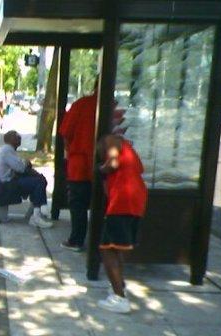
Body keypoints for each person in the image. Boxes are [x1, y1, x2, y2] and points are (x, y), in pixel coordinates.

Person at [97, 135, 147, 314]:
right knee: (117, 247)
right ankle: (118, 286)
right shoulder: (129, 151)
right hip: (135, 199)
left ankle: (119, 298)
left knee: (106, 249)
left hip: (123, 200)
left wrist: (101, 169)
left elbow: (113, 163)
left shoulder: (111, 140)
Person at [58, 78, 98, 252]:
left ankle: (77, 240)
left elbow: (66, 132)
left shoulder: (81, 104)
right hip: (106, 164)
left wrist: (70, 149)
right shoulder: (114, 107)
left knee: (78, 204)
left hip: (80, 163)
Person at [0, 130, 52, 228]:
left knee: (39, 180)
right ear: (10, 140)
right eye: (16, 136)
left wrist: (26, 164)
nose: (19, 138)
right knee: (38, 182)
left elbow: (20, 166)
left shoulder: (8, 150)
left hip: (9, 183)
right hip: (6, 186)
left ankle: (36, 213)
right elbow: (21, 168)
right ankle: (37, 215)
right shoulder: (7, 150)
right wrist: (26, 163)